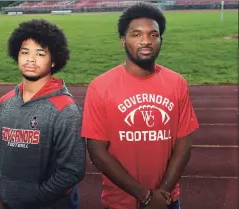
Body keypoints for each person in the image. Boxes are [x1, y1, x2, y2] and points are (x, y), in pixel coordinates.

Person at [81, 2, 199, 209]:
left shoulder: (176, 83)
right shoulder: (100, 86)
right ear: (123, 41)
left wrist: (162, 193)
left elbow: (184, 144)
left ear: (161, 39)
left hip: (167, 199)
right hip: (119, 203)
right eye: (136, 34)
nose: (146, 41)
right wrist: (144, 195)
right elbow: (97, 151)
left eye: (153, 35)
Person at [0, 19, 86, 209]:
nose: (30, 60)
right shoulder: (4, 102)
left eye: (40, 54)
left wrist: (34, 197)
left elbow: (72, 171)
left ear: (54, 61)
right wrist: (0, 184)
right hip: (10, 201)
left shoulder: (65, 109)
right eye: (25, 52)